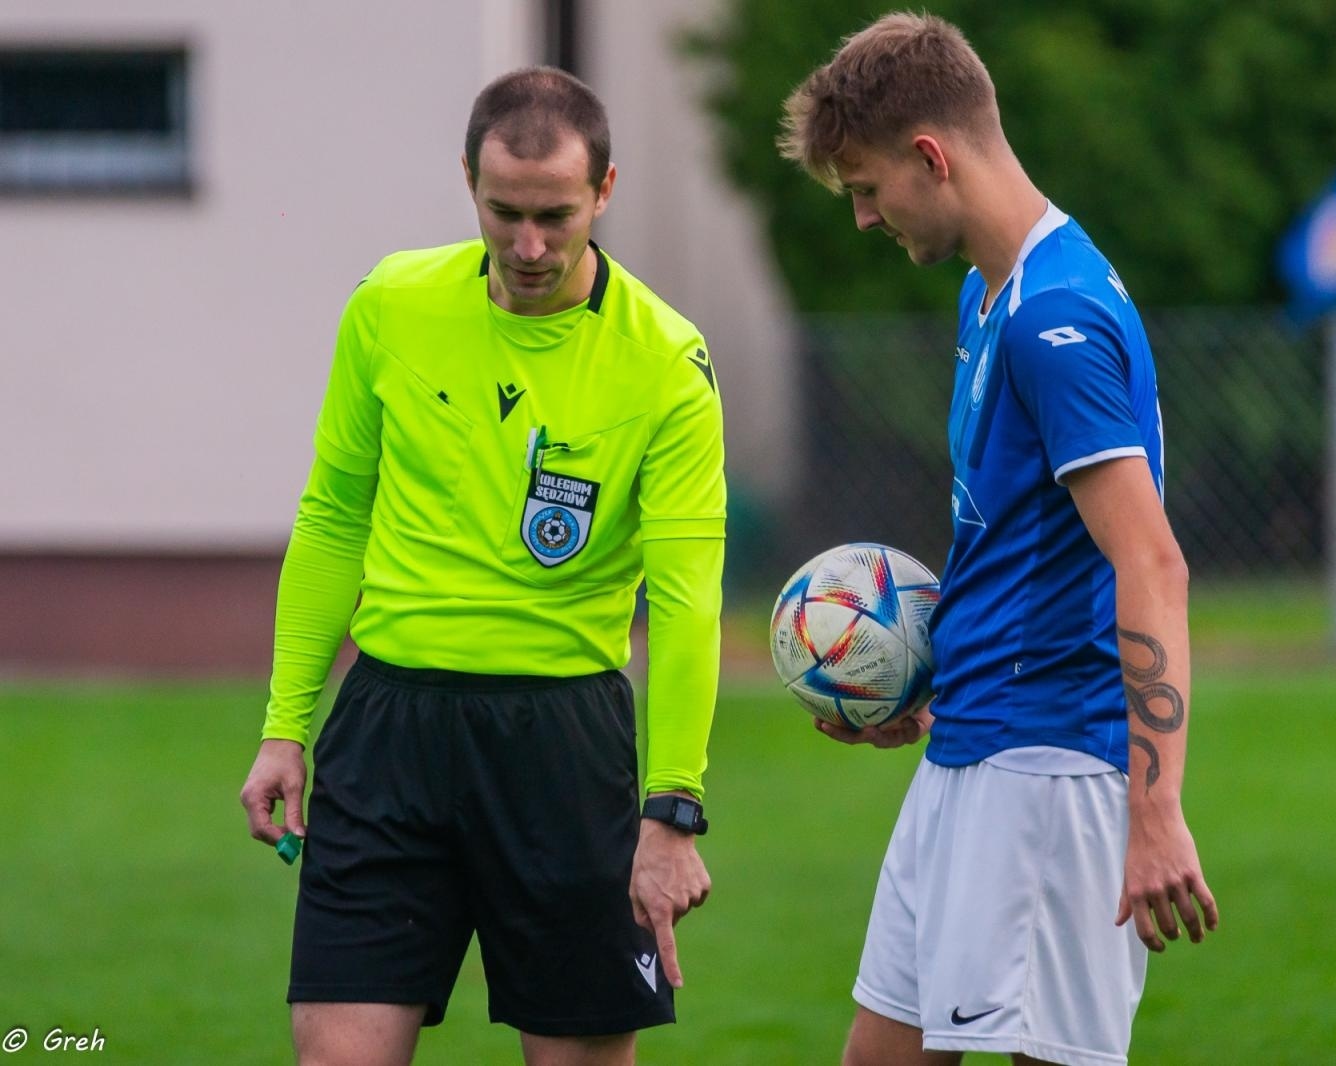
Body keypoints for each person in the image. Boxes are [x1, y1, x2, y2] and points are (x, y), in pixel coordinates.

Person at [238, 67, 725, 1066]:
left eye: (555, 215)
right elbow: (334, 514)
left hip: (562, 743)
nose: (530, 246)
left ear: (605, 191)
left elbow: (684, 593)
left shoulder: (667, 362)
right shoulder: (390, 304)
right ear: (468, 181)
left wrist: (672, 807)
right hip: (386, 731)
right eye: (504, 213)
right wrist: (287, 724)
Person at [780, 14, 1218, 1066]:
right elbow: (1020, 544)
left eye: (867, 188)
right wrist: (932, 686)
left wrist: (1154, 813)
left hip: (1047, 775)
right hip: (973, 748)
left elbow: (1150, 561)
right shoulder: (993, 294)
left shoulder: (1051, 319)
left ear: (930, 156)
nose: (863, 218)